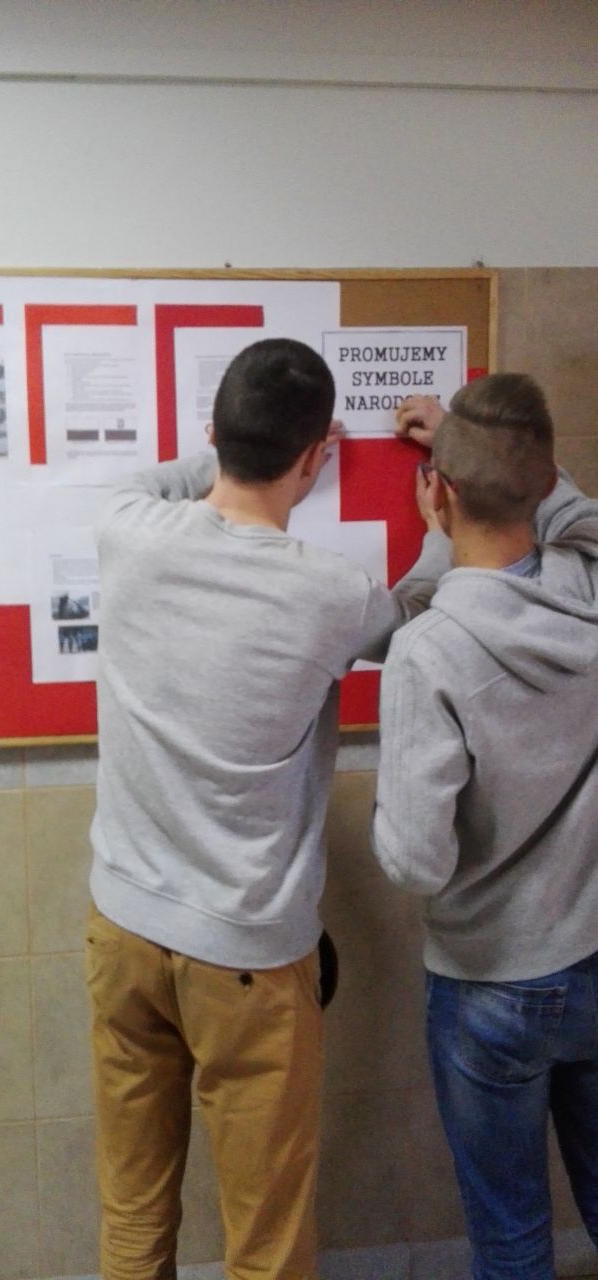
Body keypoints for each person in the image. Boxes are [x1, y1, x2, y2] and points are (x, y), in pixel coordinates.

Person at [85, 337, 450, 1280]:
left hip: (122, 929)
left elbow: (153, 479)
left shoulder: (128, 528)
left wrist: (234, 448)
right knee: (266, 1239)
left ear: (213, 433)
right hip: (243, 951)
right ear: (315, 456)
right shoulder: (327, 591)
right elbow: (416, 621)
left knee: (133, 1209)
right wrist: (440, 535)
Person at [372, 375, 598, 1280]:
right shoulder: (587, 580)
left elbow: (414, 862)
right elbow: (572, 513)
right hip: (593, 953)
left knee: (510, 1239)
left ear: (439, 491)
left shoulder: (428, 649)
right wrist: (495, 448)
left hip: (490, 986)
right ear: (545, 485)